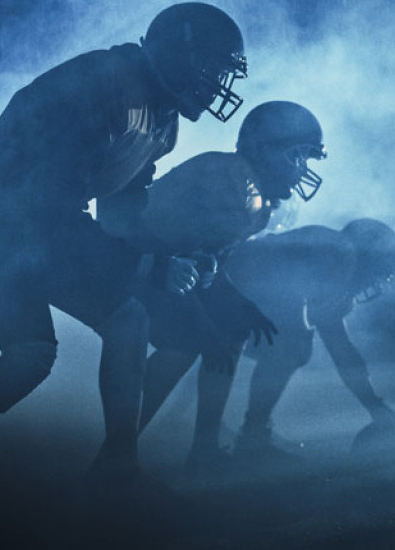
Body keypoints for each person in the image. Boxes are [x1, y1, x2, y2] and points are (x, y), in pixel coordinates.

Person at [0, 2, 249, 497]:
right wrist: (152, 264)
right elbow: (50, 210)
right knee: (30, 355)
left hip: (26, 217)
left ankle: (116, 467)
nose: (218, 84)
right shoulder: (101, 85)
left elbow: (118, 211)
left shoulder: (160, 116)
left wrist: (173, 255)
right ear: (181, 55)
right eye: (212, 69)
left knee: (118, 324)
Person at [98, 101, 328, 469]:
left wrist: (239, 304)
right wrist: (205, 328)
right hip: (129, 263)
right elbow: (174, 257)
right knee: (185, 342)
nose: (302, 168)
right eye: (297, 156)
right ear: (266, 149)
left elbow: (204, 264)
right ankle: (114, 453)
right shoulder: (228, 184)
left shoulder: (249, 192)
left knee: (233, 326)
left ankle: (203, 447)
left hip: (162, 267)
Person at [139, 219, 395, 471]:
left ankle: (205, 438)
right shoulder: (340, 253)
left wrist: (375, 406)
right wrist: (375, 407)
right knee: (291, 345)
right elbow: (303, 317)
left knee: (255, 345)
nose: (371, 284)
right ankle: (243, 439)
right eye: (377, 274)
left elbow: (341, 349)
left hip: (221, 288)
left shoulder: (336, 254)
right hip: (215, 288)